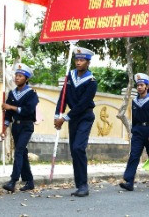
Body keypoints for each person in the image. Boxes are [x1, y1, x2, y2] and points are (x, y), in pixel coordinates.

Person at [54, 46, 98, 197]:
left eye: (82, 60)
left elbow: (83, 104)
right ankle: (79, 185)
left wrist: (65, 117)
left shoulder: (92, 81)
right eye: (77, 59)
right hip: (73, 118)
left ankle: (84, 185)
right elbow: (63, 97)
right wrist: (57, 115)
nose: (78, 62)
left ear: (87, 63)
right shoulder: (69, 77)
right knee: (74, 150)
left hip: (85, 116)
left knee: (79, 148)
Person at [1, 63, 39, 193]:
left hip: (26, 126)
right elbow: (8, 114)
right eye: (16, 75)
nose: (17, 78)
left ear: (26, 79)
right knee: (22, 153)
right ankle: (29, 181)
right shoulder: (12, 93)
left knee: (18, 151)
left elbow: (28, 110)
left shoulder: (31, 94)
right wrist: (4, 128)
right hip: (15, 127)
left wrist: (11, 107)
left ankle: (13, 181)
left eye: (20, 76)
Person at [120, 73, 149, 191]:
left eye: (142, 85)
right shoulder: (134, 101)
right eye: (138, 85)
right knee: (134, 155)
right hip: (138, 131)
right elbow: (134, 118)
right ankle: (128, 181)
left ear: (146, 86)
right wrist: (133, 131)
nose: (139, 87)